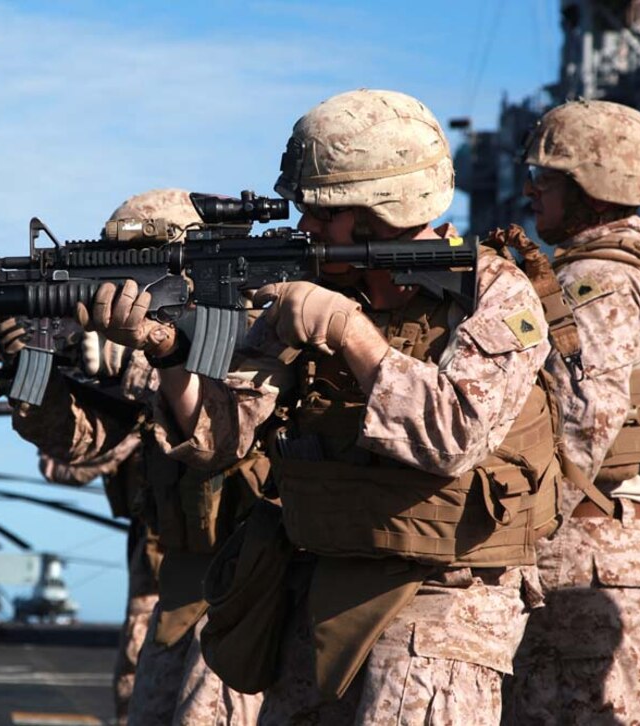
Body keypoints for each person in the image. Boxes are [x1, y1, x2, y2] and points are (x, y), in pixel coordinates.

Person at [83, 89, 560, 724]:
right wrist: (169, 353)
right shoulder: (315, 291)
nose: (305, 227)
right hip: (319, 581)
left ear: (382, 206)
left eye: (322, 211)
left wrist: (350, 333)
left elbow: (454, 436)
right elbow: (218, 441)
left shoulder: (492, 290)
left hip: (444, 593)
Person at [9, 189, 263, 725]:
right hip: (177, 574)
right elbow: (80, 447)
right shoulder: (146, 347)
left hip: (254, 578)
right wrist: (33, 365)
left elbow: (226, 431)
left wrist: (148, 358)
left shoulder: (254, 324)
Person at [507, 99, 640, 724]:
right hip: (634, 536)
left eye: (545, 180)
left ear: (593, 190)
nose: (531, 193)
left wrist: (520, 523)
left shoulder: (594, 279)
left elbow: (584, 420)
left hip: (586, 541)